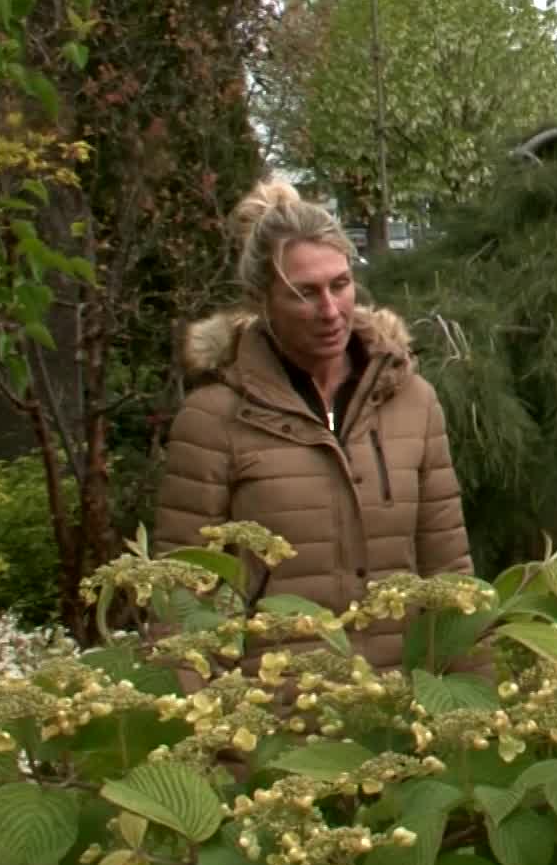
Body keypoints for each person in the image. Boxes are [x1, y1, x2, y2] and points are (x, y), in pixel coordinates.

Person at [153, 178, 476, 679]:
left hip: (394, 717)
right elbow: (180, 599)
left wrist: (467, 714)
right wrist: (212, 739)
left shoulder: (414, 403)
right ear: (262, 301)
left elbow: (450, 574)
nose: (330, 311)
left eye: (340, 285)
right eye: (303, 294)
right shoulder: (214, 418)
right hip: (275, 727)